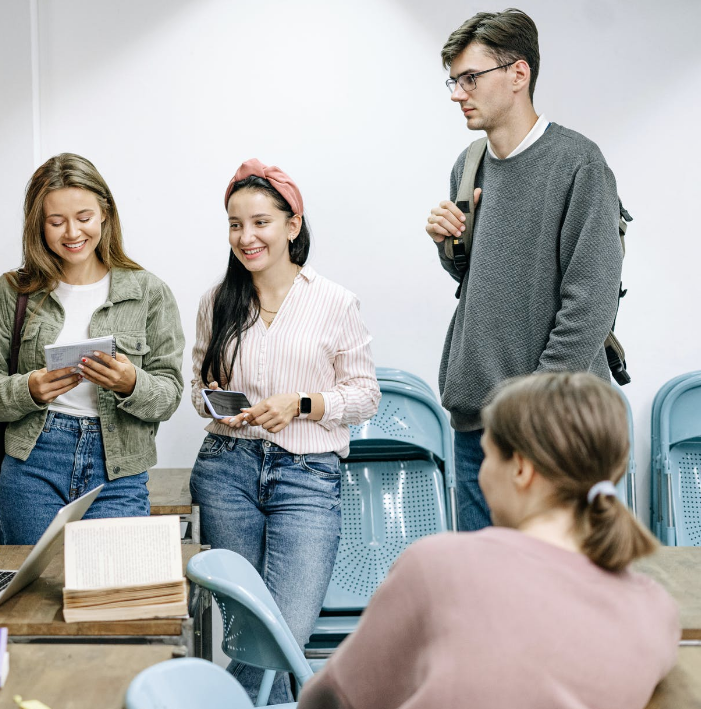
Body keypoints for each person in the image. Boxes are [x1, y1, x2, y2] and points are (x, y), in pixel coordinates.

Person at [298, 372, 678, 709]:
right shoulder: (655, 610)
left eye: (487, 456)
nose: (481, 475)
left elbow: (333, 699)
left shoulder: (439, 566)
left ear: (521, 469)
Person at [423, 8, 624, 531]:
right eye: (454, 79)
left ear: (518, 74)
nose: (457, 93)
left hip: (552, 428)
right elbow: (480, 281)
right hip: (476, 425)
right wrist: (451, 247)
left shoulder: (578, 164)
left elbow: (590, 304)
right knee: (483, 593)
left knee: (558, 595)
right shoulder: (467, 166)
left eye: (470, 78)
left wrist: (529, 411)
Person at [190, 158, 381, 704]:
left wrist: (302, 403)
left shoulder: (335, 302)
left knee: (282, 634)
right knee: (247, 632)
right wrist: (216, 404)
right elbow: (197, 390)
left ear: (292, 225)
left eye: (260, 222)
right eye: (234, 224)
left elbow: (365, 396)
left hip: (308, 478)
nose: (245, 237)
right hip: (227, 472)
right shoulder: (217, 301)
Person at [0, 152, 184, 544]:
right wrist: (29, 389)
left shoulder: (149, 293)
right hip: (33, 463)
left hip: (118, 469)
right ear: (38, 225)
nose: (72, 233)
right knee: (31, 597)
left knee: (110, 595)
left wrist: (131, 382)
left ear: (105, 214)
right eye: (56, 221)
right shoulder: (12, 292)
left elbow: (169, 396)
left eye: (83, 217)